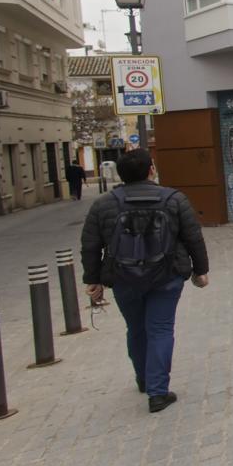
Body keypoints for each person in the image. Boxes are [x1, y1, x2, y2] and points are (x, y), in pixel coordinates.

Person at [79, 149, 210, 413]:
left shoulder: (103, 204)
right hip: (167, 275)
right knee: (160, 329)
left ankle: (144, 378)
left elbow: (90, 245)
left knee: (136, 329)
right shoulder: (174, 199)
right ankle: (158, 392)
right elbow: (193, 236)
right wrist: (200, 270)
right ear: (151, 169)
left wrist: (93, 280)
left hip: (124, 278)